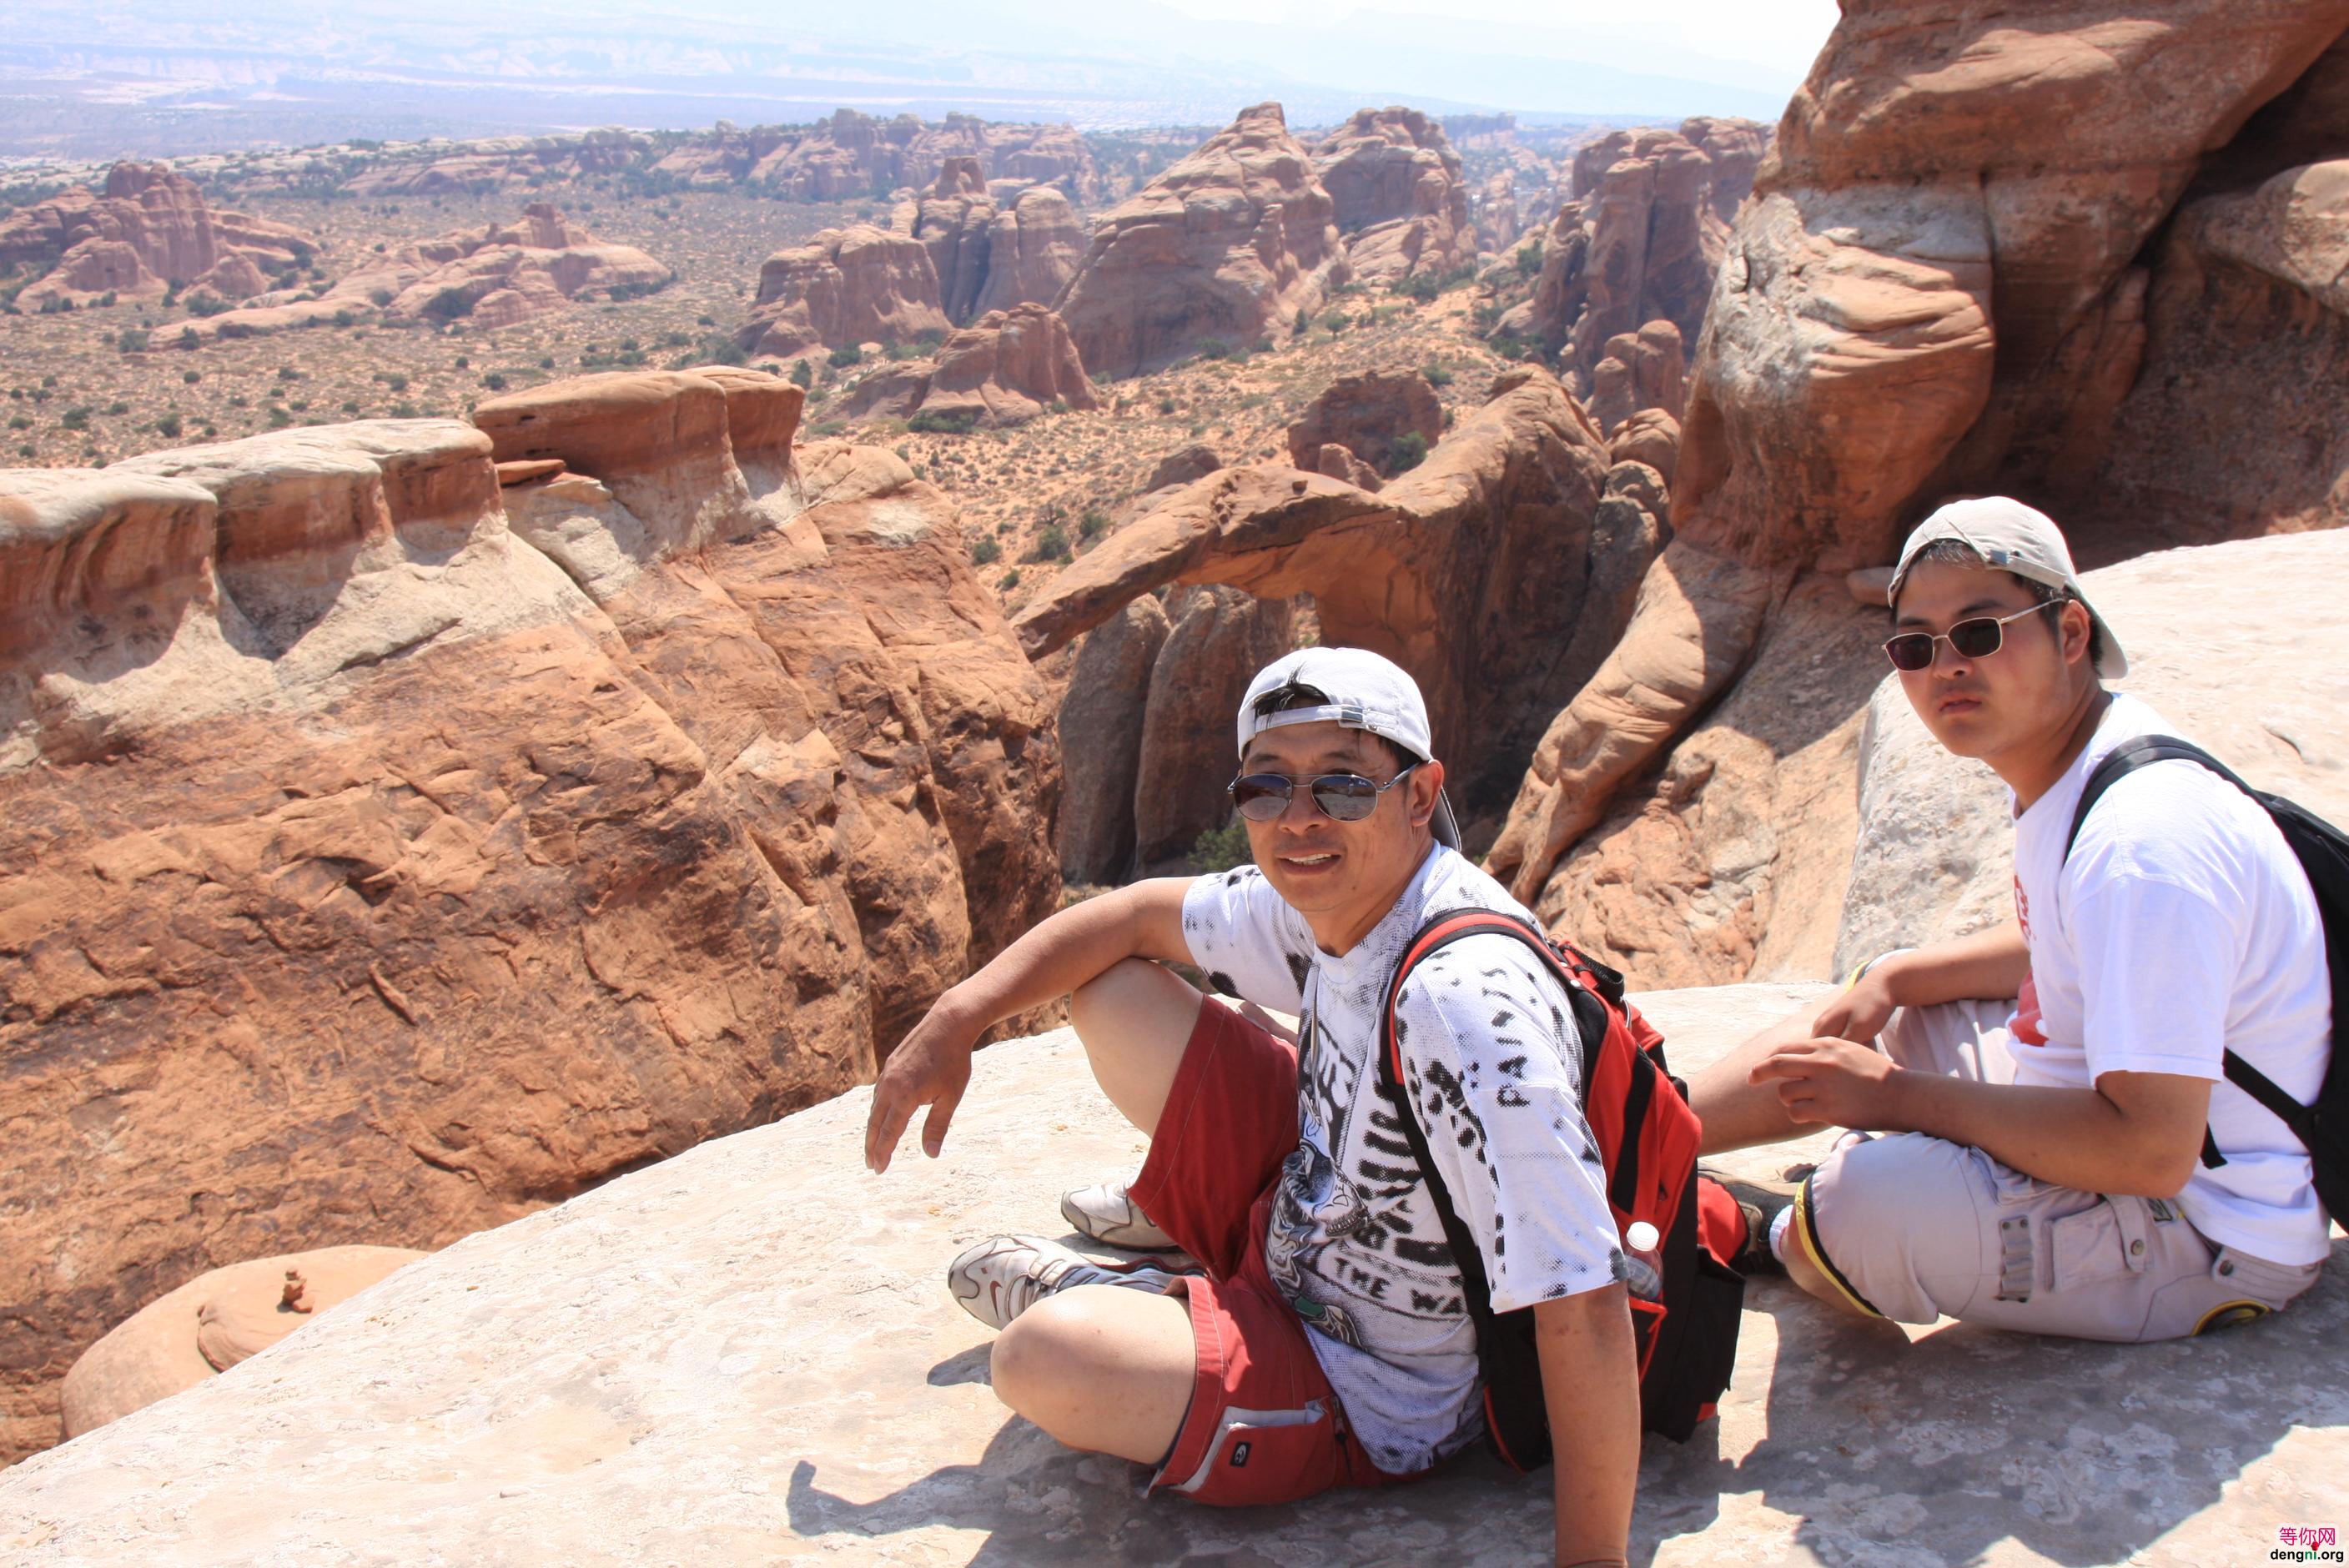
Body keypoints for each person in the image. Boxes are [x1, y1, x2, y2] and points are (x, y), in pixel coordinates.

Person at [865, 647, 1652, 1567]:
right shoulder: (1331, 897)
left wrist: (1591, 1559)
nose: (1300, 818)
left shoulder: (1461, 1004)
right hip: (1303, 1216)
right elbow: (1130, 917)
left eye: (1342, 785)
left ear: (1418, 793)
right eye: (1267, 786)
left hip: (1372, 1383)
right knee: (1115, 992)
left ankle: (1130, 1301)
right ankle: (1189, 1273)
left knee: (1043, 1360)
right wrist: (957, 1016)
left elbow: (1582, 1302)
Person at [1692, 496, 2332, 1339]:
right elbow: (2058, 942)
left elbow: (2150, 1151)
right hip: (2101, 1116)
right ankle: (1650, 1134)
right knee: (1891, 1008)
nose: (1946, 666)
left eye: (1980, 631)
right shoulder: (2085, 761)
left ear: (2070, 632)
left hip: (2197, 1225)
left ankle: (1767, 1231)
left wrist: (1897, 1100)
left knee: (1863, 1204)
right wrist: (1893, 976)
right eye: (1916, 645)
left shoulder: (2139, 844)